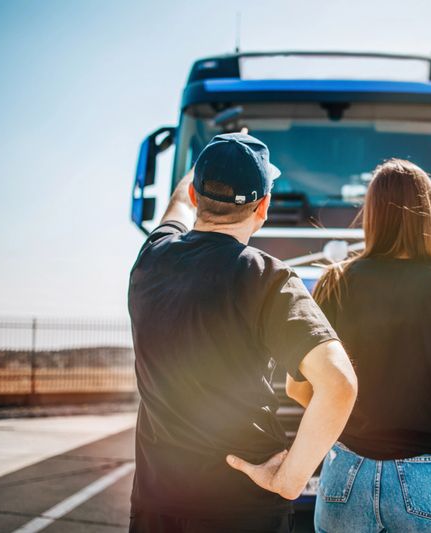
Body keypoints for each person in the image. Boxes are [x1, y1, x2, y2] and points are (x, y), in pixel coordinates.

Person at [127, 133, 357, 533]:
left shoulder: (152, 257)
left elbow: (177, 204)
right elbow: (339, 384)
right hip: (241, 509)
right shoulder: (268, 278)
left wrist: (211, 159)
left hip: (156, 506)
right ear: (263, 206)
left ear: (198, 195)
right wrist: (289, 481)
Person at [294, 159, 431, 532]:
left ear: (372, 215)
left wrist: (345, 418)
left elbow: (298, 387)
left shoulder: (335, 283)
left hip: (345, 474)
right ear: (430, 215)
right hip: (428, 479)